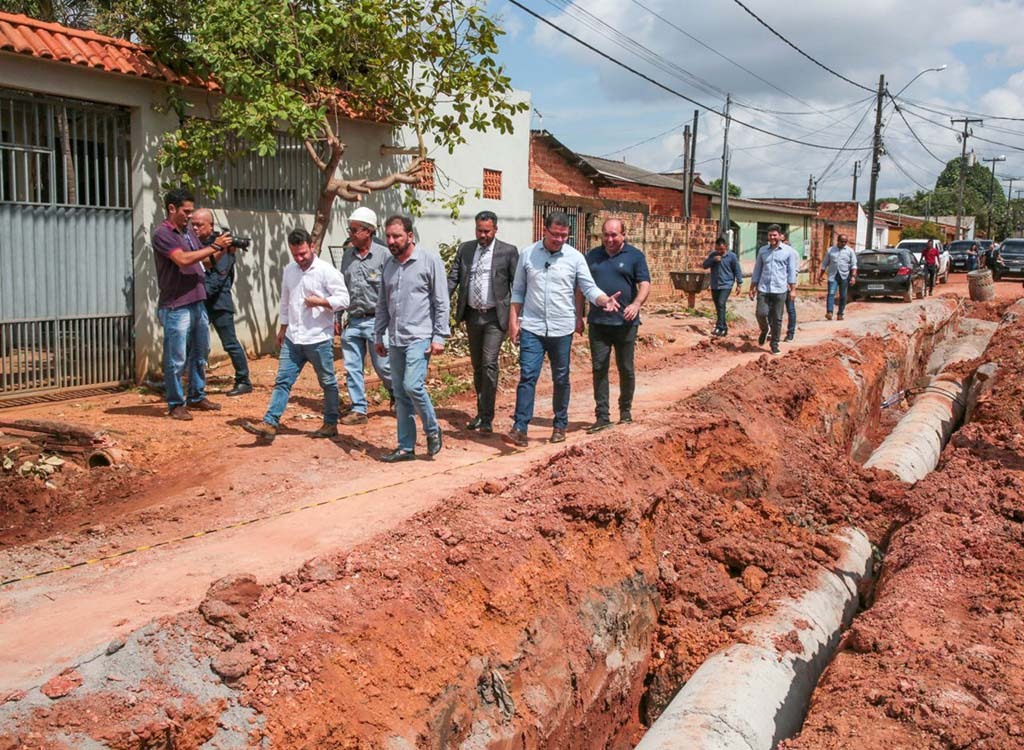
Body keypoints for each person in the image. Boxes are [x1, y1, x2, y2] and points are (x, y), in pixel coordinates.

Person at [503, 211, 621, 447]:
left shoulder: (575, 258)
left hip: (561, 328)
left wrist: (603, 300)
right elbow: (518, 291)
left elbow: (588, 287)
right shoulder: (528, 255)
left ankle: (559, 425)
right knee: (528, 375)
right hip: (533, 327)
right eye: (555, 235)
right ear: (544, 231)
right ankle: (520, 427)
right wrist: (513, 321)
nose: (559, 239)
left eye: (564, 236)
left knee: (561, 377)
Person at [242, 228, 349, 441]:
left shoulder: (327, 271)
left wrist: (320, 302)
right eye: (295, 255)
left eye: (303, 254)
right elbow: (285, 300)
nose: (300, 259)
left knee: (327, 382)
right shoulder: (290, 270)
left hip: (318, 338)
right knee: (283, 380)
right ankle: (270, 422)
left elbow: (344, 299)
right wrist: (283, 328)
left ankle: (330, 423)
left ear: (312, 247)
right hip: (293, 337)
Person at [374, 215, 450, 462]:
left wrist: (439, 336)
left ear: (410, 235)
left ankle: (432, 429)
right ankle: (406, 447)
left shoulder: (429, 261)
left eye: (396, 236)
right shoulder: (389, 265)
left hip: (420, 336)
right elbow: (382, 304)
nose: (391, 241)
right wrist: (378, 334)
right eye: (388, 236)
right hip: (395, 338)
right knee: (399, 393)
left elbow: (441, 301)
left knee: (411, 385)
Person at [152, 188, 223, 420]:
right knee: (176, 359)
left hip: (197, 300)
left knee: (201, 353)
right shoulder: (163, 233)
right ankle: (175, 403)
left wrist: (221, 249)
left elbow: (206, 264)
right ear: (172, 209)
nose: (190, 217)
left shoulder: (188, 233)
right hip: (176, 305)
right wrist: (213, 247)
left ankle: (196, 395)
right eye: (186, 211)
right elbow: (182, 260)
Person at [447, 211, 519, 435]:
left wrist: (518, 319)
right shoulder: (466, 250)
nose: (483, 235)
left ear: (495, 229)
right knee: (478, 366)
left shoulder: (508, 251)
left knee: (489, 363)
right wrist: (438, 302)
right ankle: (480, 412)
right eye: (479, 230)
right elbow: (453, 278)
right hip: (472, 316)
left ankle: (487, 417)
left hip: (495, 318)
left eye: (487, 231)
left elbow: (517, 286)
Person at [580, 218, 650, 433]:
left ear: (623, 235)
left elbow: (645, 284)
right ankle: (602, 416)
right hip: (598, 323)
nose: (609, 239)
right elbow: (580, 286)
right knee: (599, 368)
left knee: (626, 368)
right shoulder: (591, 257)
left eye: (614, 235)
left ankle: (625, 410)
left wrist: (636, 304)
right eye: (606, 235)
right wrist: (577, 315)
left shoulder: (635, 256)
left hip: (625, 323)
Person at [338, 206, 393, 425]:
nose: (350, 234)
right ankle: (359, 409)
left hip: (377, 322)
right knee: (352, 367)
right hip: (353, 321)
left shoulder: (384, 256)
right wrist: (337, 317)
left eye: (354, 230)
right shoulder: (347, 257)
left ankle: (397, 394)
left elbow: (392, 290)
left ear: (368, 231)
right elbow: (341, 288)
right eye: (349, 229)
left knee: (383, 366)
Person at [191, 208, 252, 396]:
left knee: (230, 343)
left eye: (199, 225)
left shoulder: (223, 246)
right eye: (192, 224)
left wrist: (197, 295)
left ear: (210, 226)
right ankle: (184, 382)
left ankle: (243, 380)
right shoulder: (194, 244)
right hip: (201, 300)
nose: (194, 228)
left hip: (218, 303)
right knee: (191, 344)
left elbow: (217, 278)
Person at [748, 224, 798, 355]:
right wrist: (752, 286)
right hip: (764, 288)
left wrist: (793, 290)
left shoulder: (788, 251)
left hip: (780, 289)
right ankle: (765, 330)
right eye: (770, 235)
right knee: (761, 313)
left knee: (777, 318)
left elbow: (791, 271)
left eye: (774, 235)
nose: (772, 237)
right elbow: (757, 269)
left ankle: (774, 344)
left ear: (780, 236)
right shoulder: (763, 250)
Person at [702, 236, 742, 337]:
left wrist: (739, 283)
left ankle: (720, 327)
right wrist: (713, 260)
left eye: (722, 249)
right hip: (715, 284)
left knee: (721, 303)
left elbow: (737, 269)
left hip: (726, 284)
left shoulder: (732, 256)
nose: (719, 251)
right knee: (718, 306)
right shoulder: (713, 255)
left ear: (726, 247)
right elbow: (705, 265)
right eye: (718, 249)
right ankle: (723, 327)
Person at [820, 234, 858, 321]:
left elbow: (854, 265)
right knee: (831, 294)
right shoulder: (830, 250)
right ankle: (829, 312)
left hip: (844, 276)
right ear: (838, 241)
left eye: (845, 242)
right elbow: (824, 264)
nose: (844, 243)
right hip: (833, 276)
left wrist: (853, 277)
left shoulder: (850, 251)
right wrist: (820, 275)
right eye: (842, 241)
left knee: (843, 296)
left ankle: (840, 313)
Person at [781, 233, 798, 342]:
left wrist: (792, 288)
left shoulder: (793, 253)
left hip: (788, 286)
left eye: (782, 241)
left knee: (790, 309)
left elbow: (795, 271)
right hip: (777, 287)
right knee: (775, 311)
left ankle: (790, 333)